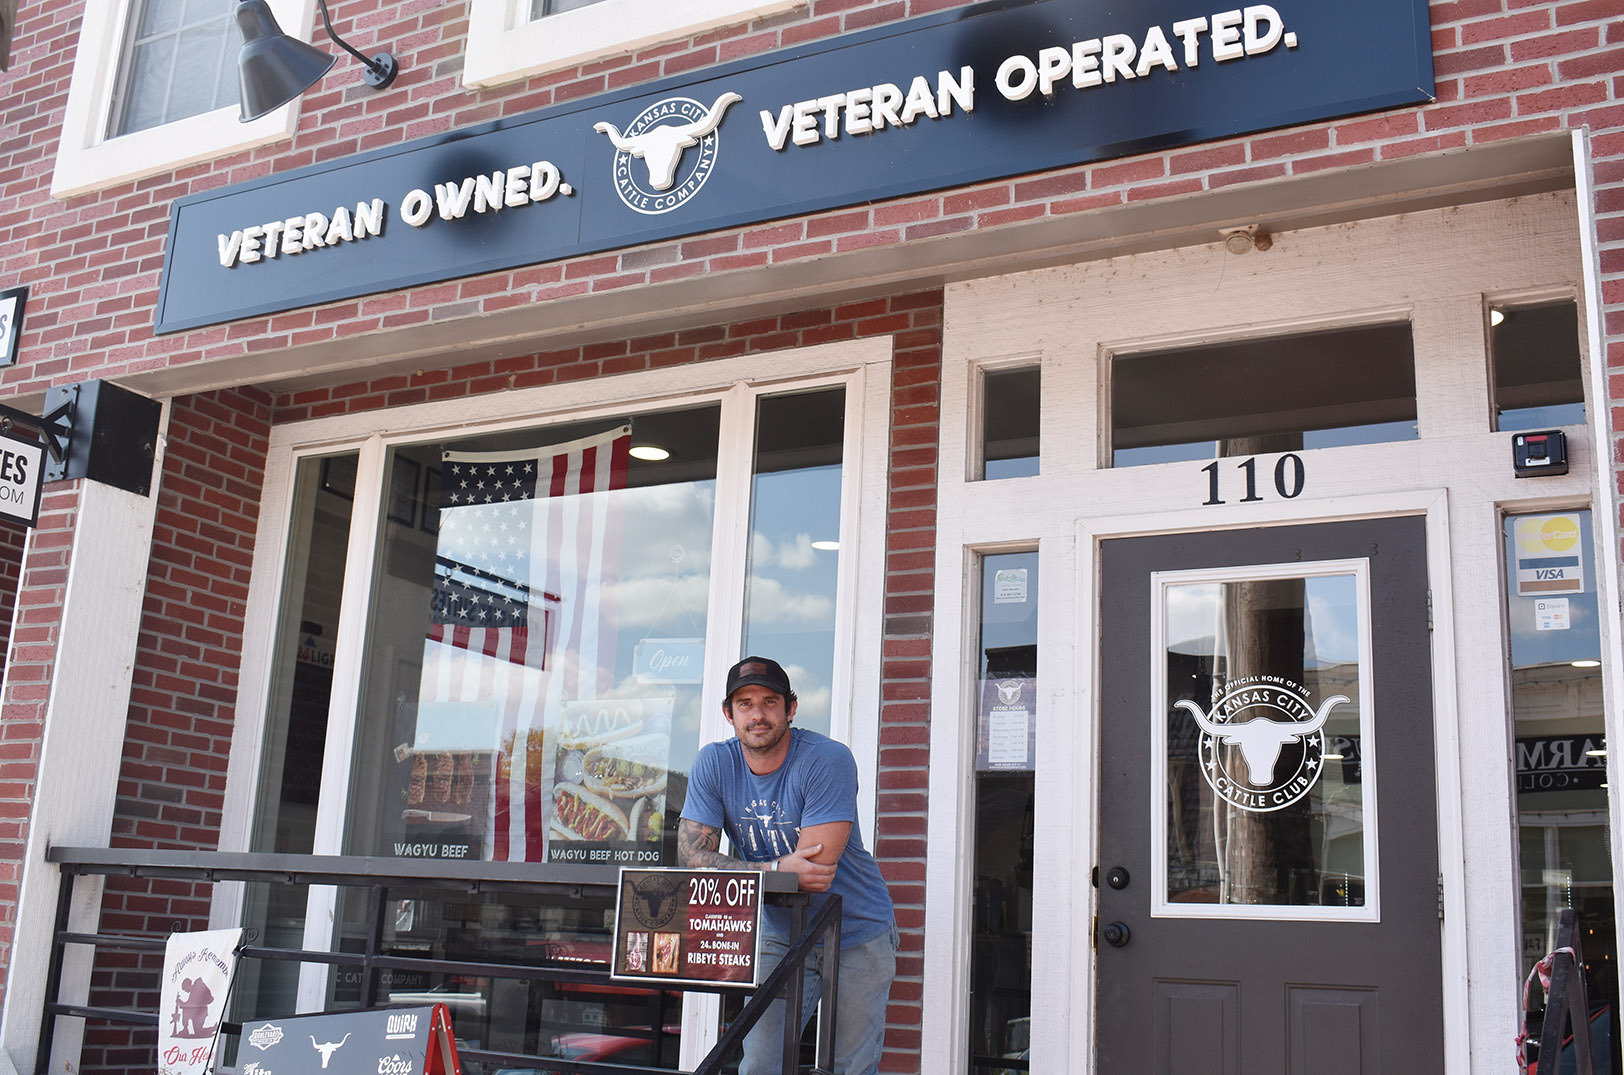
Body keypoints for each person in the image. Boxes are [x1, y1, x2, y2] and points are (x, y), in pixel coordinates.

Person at [678, 656, 897, 1075]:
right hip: (779, 931)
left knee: (846, 1068)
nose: (757, 714)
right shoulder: (714, 763)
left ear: (790, 708)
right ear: (728, 713)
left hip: (855, 932)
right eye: (744, 703)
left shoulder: (826, 759)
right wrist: (777, 867)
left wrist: (740, 867)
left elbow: (814, 871)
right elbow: (692, 858)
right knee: (760, 1064)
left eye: (769, 701)